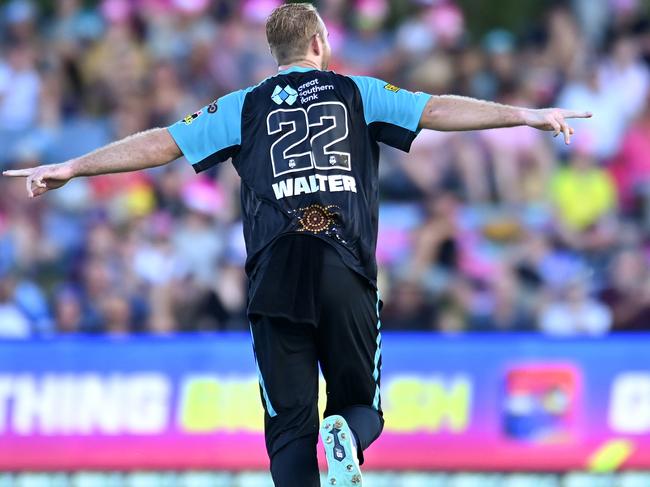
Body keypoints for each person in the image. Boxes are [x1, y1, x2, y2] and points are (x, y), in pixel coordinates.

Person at [3, 3, 591, 486]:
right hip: (343, 262)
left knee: (288, 432)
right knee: (361, 408)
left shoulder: (242, 106)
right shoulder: (359, 92)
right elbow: (436, 109)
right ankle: (348, 438)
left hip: (276, 271)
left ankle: (324, 444)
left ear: (277, 51)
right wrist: (524, 114)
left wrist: (74, 166)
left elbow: (162, 144)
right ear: (318, 41)